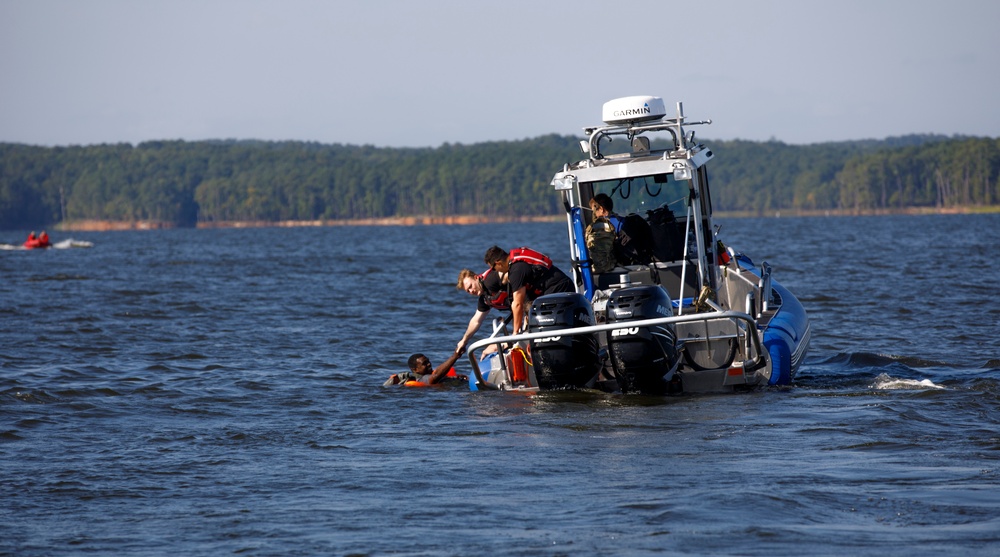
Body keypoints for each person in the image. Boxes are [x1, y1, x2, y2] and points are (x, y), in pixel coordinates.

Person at [484, 246, 574, 335]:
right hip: (561, 287)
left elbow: (518, 304)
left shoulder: (516, 271)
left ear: (498, 263)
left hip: (559, 290)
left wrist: (515, 333)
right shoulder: (517, 262)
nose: (495, 271)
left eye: (493, 268)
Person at [455, 267, 509, 354]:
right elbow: (476, 321)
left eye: (471, 286)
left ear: (476, 277)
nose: (471, 291)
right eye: (468, 291)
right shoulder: (484, 299)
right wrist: (464, 341)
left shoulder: (491, 279)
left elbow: (510, 274)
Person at [383, 349, 467, 386]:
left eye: (428, 361)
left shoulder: (428, 375)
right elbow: (435, 376)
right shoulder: (422, 379)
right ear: (415, 370)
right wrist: (455, 356)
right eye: (424, 364)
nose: (429, 364)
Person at [586, 194, 620, 273]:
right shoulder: (619, 220)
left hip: (609, 268)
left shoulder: (603, 226)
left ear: (601, 209)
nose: (594, 214)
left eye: (594, 211)